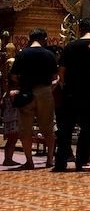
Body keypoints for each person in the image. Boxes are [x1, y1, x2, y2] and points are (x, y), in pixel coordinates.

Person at [54, 17, 90, 172]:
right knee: (87, 128)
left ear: (80, 29)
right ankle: (81, 161)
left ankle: (61, 161)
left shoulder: (70, 46)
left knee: (66, 128)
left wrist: (66, 85)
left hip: (71, 93)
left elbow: (61, 71)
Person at [8, 28, 57, 169]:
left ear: (30, 39)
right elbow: (54, 77)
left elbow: (13, 76)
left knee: (25, 128)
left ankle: (29, 161)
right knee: (48, 126)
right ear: (44, 39)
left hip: (26, 93)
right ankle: (49, 160)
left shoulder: (23, 54)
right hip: (45, 92)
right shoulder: (49, 54)